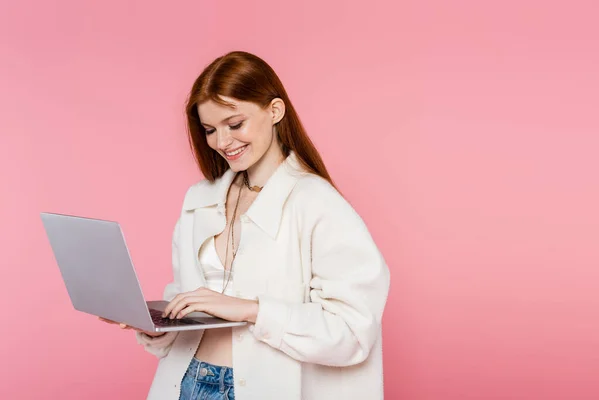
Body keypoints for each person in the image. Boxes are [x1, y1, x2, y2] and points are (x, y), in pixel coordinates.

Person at [105, 50, 390, 400]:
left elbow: (352, 332)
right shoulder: (199, 199)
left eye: (235, 124)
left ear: (275, 111)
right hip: (187, 382)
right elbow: (187, 298)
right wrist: (159, 326)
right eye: (210, 129)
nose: (222, 143)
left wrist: (250, 310)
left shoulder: (318, 203)